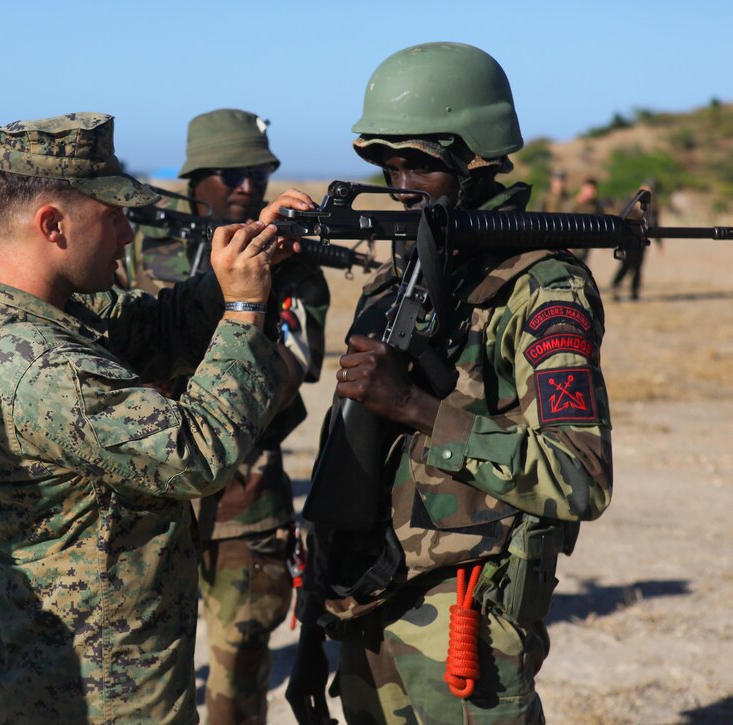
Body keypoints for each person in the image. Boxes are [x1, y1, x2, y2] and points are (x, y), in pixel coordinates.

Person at [276, 43, 613, 724]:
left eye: (422, 163)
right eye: (388, 164)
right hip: (364, 605)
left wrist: (419, 406)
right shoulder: (391, 277)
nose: (401, 184)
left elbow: (579, 477)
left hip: (467, 616)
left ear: (478, 159)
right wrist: (314, 628)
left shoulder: (543, 288)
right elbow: (348, 462)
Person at [0, 112, 290, 724]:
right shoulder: (43, 367)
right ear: (52, 225)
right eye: (113, 216)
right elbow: (198, 454)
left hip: (78, 663)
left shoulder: (26, 315)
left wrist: (244, 253)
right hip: (103, 686)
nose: (129, 234)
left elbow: (158, 328)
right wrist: (243, 307)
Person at [134, 108, 329, 724]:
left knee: (242, 653)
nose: (247, 184)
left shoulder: (293, 267)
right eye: (230, 171)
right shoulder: (141, 243)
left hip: (246, 490)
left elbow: (292, 365)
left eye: (258, 171)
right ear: (196, 179)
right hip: (148, 482)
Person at [610, 181, 660, 301]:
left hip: (641, 241)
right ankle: (615, 286)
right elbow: (620, 220)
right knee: (626, 264)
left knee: (638, 267)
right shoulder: (630, 203)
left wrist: (660, 242)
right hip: (628, 240)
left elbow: (656, 224)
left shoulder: (654, 207)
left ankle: (634, 292)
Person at [568, 177, 604, 263]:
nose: (592, 191)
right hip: (572, 241)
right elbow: (565, 222)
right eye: (590, 188)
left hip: (585, 241)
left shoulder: (595, 205)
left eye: (594, 189)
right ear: (583, 188)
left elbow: (601, 221)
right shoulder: (573, 204)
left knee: (581, 263)